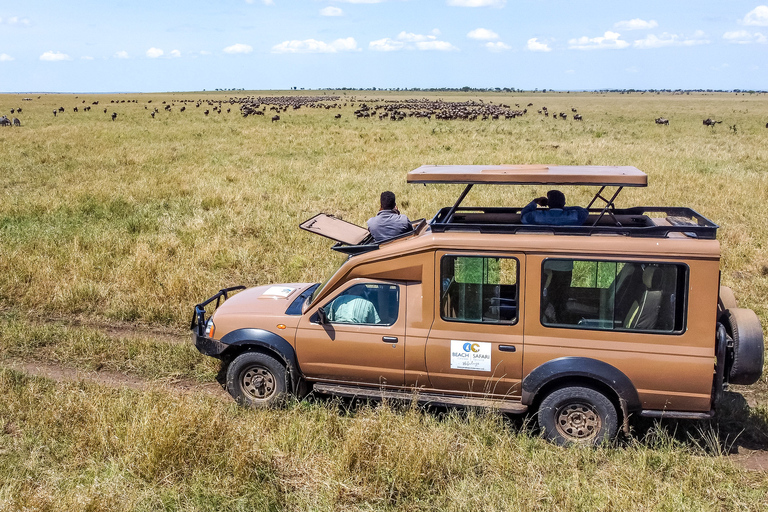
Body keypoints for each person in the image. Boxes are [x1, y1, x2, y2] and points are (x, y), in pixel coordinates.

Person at [520, 190, 589, 226]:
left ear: (548, 203)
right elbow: (584, 212)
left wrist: (535, 201)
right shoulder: (576, 216)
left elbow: (524, 216)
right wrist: (563, 208)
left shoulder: (536, 216)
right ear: (563, 204)